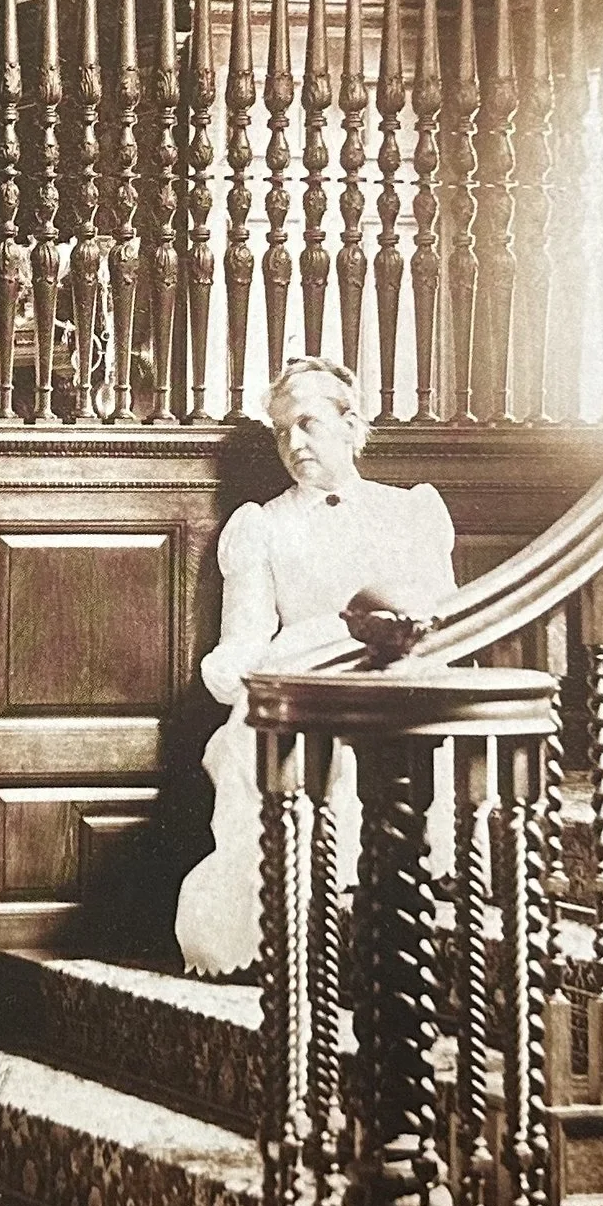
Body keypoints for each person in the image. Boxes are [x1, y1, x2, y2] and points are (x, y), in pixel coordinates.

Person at [175, 358, 456, 975]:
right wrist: (236, 680)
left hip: (389, 677)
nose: (293, 443)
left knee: (389, 735)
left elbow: (440, 620)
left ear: (350, 426)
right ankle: (285, 930)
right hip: (301, 679)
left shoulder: (409, 512)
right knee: (253, 741)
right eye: (281, 431)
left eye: (307, 423)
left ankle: (375, 912)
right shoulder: (262, 525)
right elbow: (245, 638)